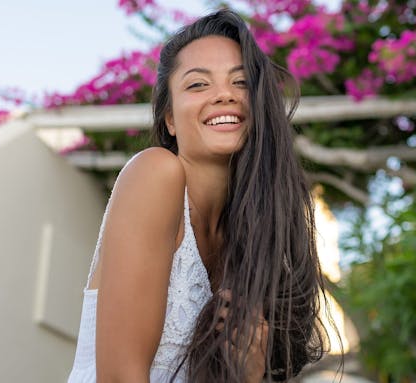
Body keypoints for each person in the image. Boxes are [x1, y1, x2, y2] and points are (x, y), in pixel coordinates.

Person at [67, 9, 331, 383]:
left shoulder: (248, 241)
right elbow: (120, 377)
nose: (225, 94)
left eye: (240, 82)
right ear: (170, 119)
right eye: (198, 84)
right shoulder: (155, 173)